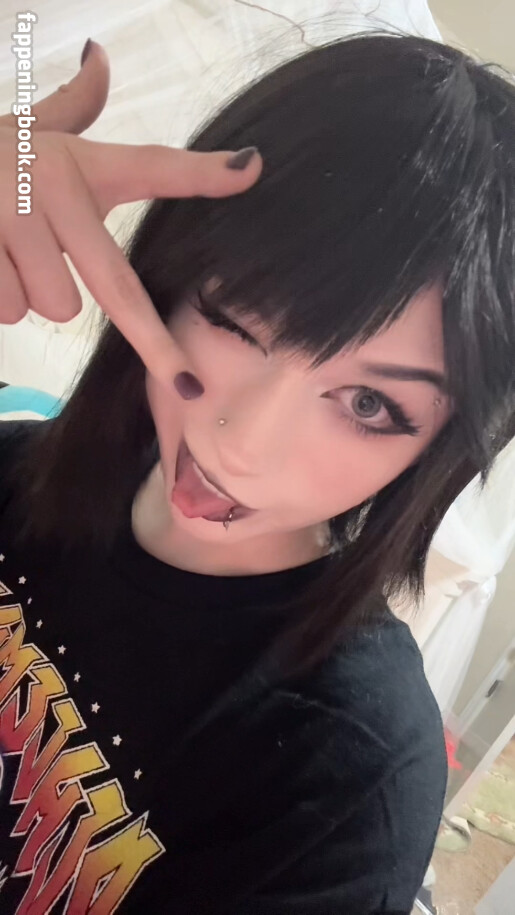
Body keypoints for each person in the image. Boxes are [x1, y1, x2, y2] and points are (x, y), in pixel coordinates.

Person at [0, 30, 513, 915]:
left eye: (368, 404)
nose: (241, 444)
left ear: (439, 444)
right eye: (234, 317)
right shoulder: (19, 474)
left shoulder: (346, 769)